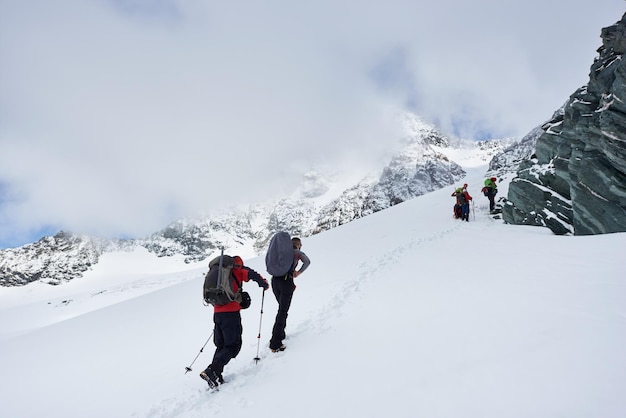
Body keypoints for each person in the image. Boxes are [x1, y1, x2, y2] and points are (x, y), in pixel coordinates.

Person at [200, 255, 269, 388]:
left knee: (221, 346)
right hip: (231, 314)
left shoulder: (218, 272)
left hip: (217, 313)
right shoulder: (236, 269)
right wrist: (264, 283)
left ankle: (216, 376)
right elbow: (252, 274)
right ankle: (212, 370)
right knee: (233, 346)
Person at [269, 237, 311, 353]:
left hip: (274, 281)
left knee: (282, 309)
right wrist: (299, 272)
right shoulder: (296, 252)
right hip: (286, 281)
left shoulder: (280, 252)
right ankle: (275, 343)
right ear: (299, 245)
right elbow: (307, 261)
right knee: (283, 311)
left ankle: (280, 334)